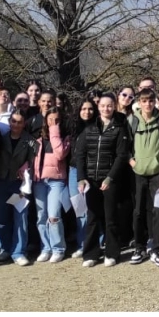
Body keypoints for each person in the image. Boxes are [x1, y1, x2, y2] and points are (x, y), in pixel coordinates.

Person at [75, 93, 131, 268]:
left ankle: (112, 253)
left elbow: (122, 156)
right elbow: (80, 154)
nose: (106, 108)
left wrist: (110, 178)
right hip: (91, 180)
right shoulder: (89, 128)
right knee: (92, 217)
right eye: (103, 105)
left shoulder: (119, 128)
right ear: (98, 107)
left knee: (110, 217)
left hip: (110, 180)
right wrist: (81, 178)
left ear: (114, 107)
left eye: (109, 105)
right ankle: (90, 253)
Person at [128, 88, 159, 267]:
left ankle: (156, 248)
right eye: (144, 101)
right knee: (138, 211)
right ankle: (139, 247)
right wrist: (131, 161)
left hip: (157, 173)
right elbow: (125, 145)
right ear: (139, 102)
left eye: (151, 101)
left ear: (155, 102)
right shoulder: (131, 121)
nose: (148, 104)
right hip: (138, 173)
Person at [0, 110, 36, 266]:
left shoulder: (30, 141)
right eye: (14, 121)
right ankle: (4, 248)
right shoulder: (1, 140)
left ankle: (19, 251)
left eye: (20, 122)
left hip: (19, 185)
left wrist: (28, 166)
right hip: (1, 183)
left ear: (24, 124)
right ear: (10, 122)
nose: (16, 125)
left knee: (20, 218)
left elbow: (34, 161)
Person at [33, 108, 71, 263]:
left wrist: (54, 131)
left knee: (54, 216)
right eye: (50, 120)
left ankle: (58, 248)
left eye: (56, 120)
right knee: (40, 217)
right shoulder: (38, 139)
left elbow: (60, 154)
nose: (53, 122)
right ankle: (46, 247)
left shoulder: (66, 138)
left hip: (56, 181)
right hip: (39, 182)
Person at [68, 98, 97, 258]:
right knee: (79, 209)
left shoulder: (98, 126)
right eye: (84, 109)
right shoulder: (72, 128)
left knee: (93, 208)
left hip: (93, 171)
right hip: (74, 171)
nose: (87, 112)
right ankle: (82, 243)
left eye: (90, 109)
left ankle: (96, 242)